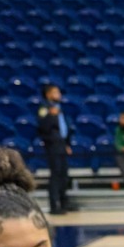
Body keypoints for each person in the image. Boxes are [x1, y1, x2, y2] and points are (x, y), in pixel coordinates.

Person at [33, 83, 73, 216]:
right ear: (48, 94)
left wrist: (67, 144)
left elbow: (64, 127)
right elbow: (42, 127)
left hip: (62, 145)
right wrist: (50, 116)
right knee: (55, 175)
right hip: (52, 146)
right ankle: (54, 205)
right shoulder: (44, 109)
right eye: (56, 92)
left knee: (64, 174)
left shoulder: (59, 108)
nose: (59, 95)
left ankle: (64, 203)